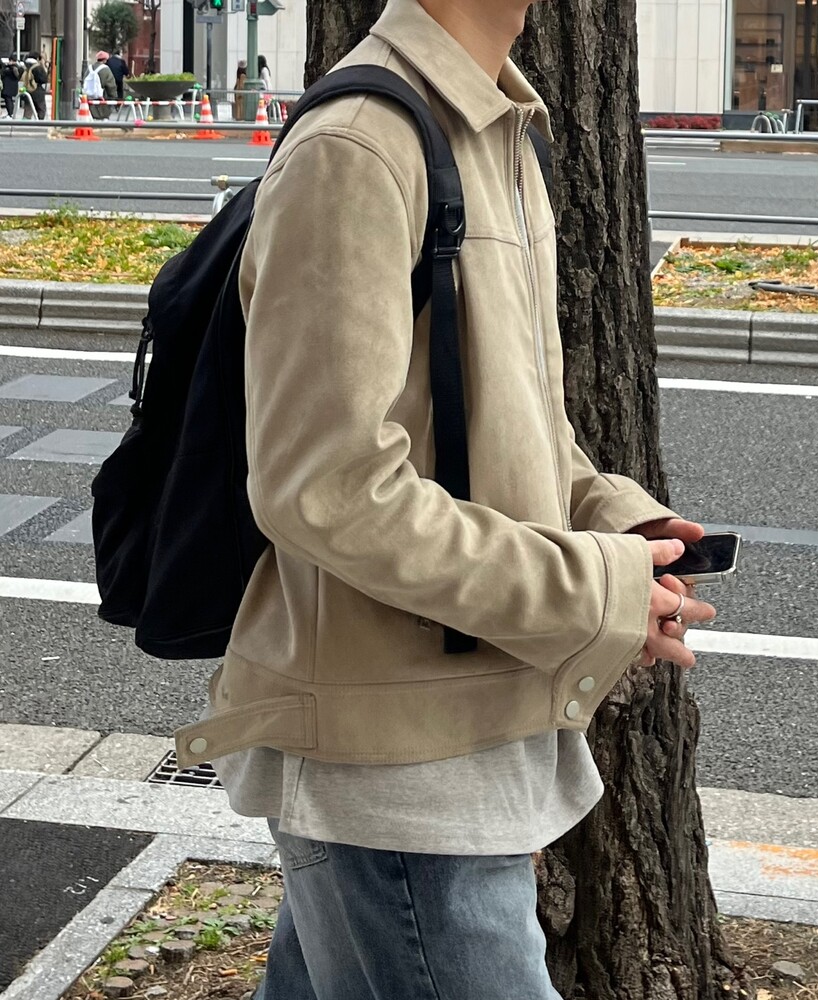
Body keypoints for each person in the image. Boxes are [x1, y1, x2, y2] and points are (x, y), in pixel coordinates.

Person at [175, 0, 717, 997]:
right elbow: (326, 486)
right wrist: (589, 590)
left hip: (443, 735)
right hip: (397, 772)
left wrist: (611, 519)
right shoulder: (358, 147)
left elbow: (511, 416)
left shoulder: (493, 128)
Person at [21, 53, 46, 119]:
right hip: (37, 91)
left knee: (27, 111)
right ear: (37, 58)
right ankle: (39, 123)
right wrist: (43, 65)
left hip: (27, 90)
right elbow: (43, 79)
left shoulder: (25, 66)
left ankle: (25, 123)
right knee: (41, 109)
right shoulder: (38, 67)